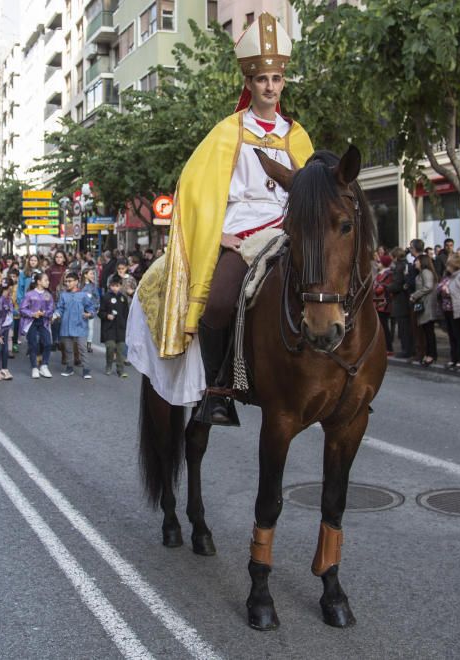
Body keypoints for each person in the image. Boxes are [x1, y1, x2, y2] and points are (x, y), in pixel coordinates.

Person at [144, 13, 312, 424]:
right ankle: (217, 392)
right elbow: (194, 192)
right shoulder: (227, 132)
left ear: (283, 82)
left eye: (276, 78)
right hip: (241, 236)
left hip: (287, 232)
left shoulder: (299, 137)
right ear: (249, 83)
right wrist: (220, 236)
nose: (269, 86)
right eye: (261, 79)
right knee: (218, 303)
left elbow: (313, 193)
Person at [53, 272, 97, 379]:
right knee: (68, 349)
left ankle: (86, 370)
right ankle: (69, 368)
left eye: (70, 281)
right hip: (66, 326)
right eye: (66, 281)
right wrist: (56, 314)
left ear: (76, 282)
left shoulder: (83, 295)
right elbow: (60, 308)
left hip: (80, 326)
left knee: (82, 348)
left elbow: (91, 307)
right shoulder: (63, 295)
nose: (67, 283)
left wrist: (89, 314)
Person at [20, 271, 54, 379]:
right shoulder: (29, 294)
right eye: (46, 280)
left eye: (48, 280)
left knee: (48, 343)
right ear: (39, 282)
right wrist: (32, 314)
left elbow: (51, 309)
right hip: (31, 322)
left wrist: (45, 313)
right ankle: (34, 367)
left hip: (43, 322)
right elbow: (22, 309)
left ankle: (44, 365)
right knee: (33, 344)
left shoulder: (48, 295)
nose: (48, 282)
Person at [410, 254, 441, 367]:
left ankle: (431, 354)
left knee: (429, 331)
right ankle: (428, 353)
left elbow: (428, 287)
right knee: (426, 331)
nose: (415, 263)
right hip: (423, 304)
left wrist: (415, 295)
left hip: (427, 304)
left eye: (417, 261)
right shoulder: (421, 273)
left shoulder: (425, 272)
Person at [100, 275, 129, 377]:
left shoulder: (123, 298)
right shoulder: (105, 297)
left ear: (120, 286)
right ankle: (108, 365)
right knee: (110, 347)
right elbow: (100, 312)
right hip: (109, 328)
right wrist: (107, 315)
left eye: (116, 286)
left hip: (120, 328)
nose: (114, 288)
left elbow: (126, 313)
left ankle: (120, 370)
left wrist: (125, 324)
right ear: (110, 286)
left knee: (121, 350)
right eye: (112, 286)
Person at [0, 278, 15, 381]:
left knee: (5, 348)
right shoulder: (0, 300)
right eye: (12, 286)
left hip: (7, 326)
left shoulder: (9, 299)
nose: (13, 288)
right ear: (9, 287)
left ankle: (4, 369)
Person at [373, 254, 394, 354]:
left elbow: (382, 288)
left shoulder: (387, 274)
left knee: (384, 326)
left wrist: (375, 288)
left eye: (379, 262)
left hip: (383, 303)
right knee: (380, 326)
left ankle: (388, 347)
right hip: (378, 303)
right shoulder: (380, 273)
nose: (378, 264)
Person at [81, 267, 100, 354]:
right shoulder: (80, 286)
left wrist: (96, 308)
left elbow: (96, 298)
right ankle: (81, 344)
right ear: (85, 275)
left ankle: (89, 344)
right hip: (81, 311)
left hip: (90, 310)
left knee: (90, 327)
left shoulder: (93, 286)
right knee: (81, 327)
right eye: (91, 273)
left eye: (93, 274)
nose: (93, 275)